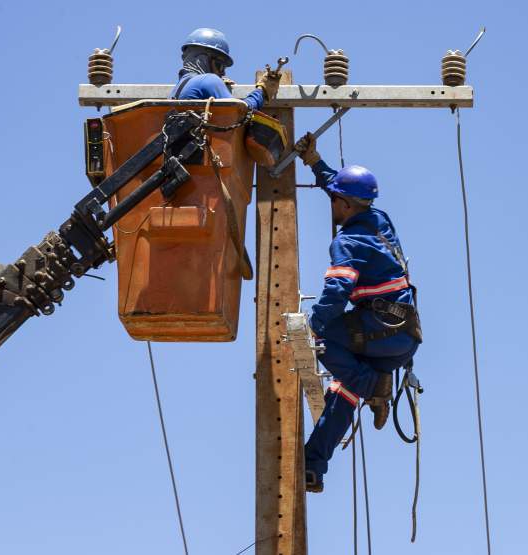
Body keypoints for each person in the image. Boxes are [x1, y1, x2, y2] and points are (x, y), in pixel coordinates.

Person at [293, 133, 423, 493]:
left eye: (335, 199)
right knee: (343, 391)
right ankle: (313, 466)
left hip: (380, 330)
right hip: (401, 337)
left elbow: (337, 291)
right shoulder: (378, 218)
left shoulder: (347, 242)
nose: (332, 204)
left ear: (345, 205)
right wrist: (315, 163)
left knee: (325, 334)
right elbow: (345, 190)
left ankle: (373, 385)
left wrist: (313, 328)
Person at [169, 28, 280, 109]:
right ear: (202, 59)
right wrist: (262, 92)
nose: (222, 73)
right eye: (220, 66)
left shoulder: (175, 92)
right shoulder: (209, 80)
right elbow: (239, 112)